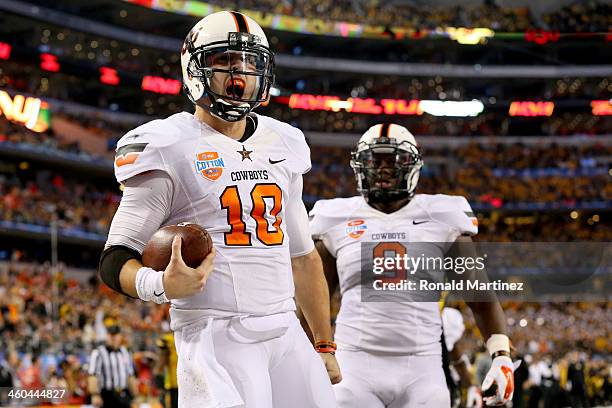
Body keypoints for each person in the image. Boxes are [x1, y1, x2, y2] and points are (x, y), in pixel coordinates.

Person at [98, 10, 339, 408]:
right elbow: (114, 258)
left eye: (249, 62)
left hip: (285, 332)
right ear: (195, 68)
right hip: (216, 334)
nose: (239, 74)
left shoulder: (286, 141)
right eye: (224, 61)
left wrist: (323, 342)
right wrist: (159, 286)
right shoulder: (167, 144)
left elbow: (302, 256)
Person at [309, 123, 516, 407]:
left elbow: (479, 297)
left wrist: (501, 356)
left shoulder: (443, 215)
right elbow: (311, 301)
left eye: (392, 161)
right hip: (353, 363)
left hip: (422, 366)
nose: (382, 169)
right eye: (375, 161)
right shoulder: (334, 217)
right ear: (359, 165)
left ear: (413, 165)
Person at [87, 325, 138, 408]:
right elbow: (93, 375)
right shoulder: (98, 352)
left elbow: (130, 375)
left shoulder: (125, 352)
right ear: (106, 336)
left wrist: (135, 395)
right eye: (111, 335)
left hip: (123, 393)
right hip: (107, 395)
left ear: (120, 336)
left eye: (115, 335)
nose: (113, 338)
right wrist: (95, 394)